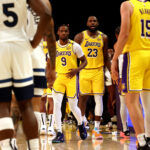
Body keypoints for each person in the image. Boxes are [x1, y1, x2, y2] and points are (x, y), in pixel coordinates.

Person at [0, 0, 55, 150]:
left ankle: (8, 144)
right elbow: (50, 32)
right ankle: (34, 146)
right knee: (32, 106)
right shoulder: (44, 2)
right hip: (30, 50)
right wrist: (53, 67)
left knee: (7, 105)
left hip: (4, 46)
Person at [111, 0, 150, 149]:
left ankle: (141, 142)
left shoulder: (127, 5)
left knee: (131, 101)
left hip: (135, 55)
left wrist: (115, 58)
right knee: (147, 104)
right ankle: (148, 137)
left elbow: (125, 33)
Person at [74, 16, 109, 139]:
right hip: (84, 71)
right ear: (86, 23)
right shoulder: (80, 36)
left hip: (98, 71)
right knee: (83, 99)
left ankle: (97, 128)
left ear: (98, 22)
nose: (93, 23)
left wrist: (109, 71)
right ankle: (82, 123)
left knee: (98, 99)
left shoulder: (103, 37)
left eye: (95, 21)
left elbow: (105, 56)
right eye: (90, 21)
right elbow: (73, 55)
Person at [52, 24, 87, 143]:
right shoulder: (54, 46)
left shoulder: (75, 46)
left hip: (72, 79)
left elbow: (85, 61)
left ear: (68, 32)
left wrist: (77, 69)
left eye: (65, 31)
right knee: (56, 105)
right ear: (58, 32)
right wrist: (49, 76)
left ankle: (81, 123)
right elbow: (49, 62)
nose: (63, 33)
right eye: (61, 31)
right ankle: (59, 133)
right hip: (58, 78)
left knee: (72, 106)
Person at [113, 26, 130, 138]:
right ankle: (124, 127)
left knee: (129, 103)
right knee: (124, 103)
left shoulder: (120, 45)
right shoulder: (117, 45)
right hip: (123, 76)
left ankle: (125, 127)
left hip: (129, 74)